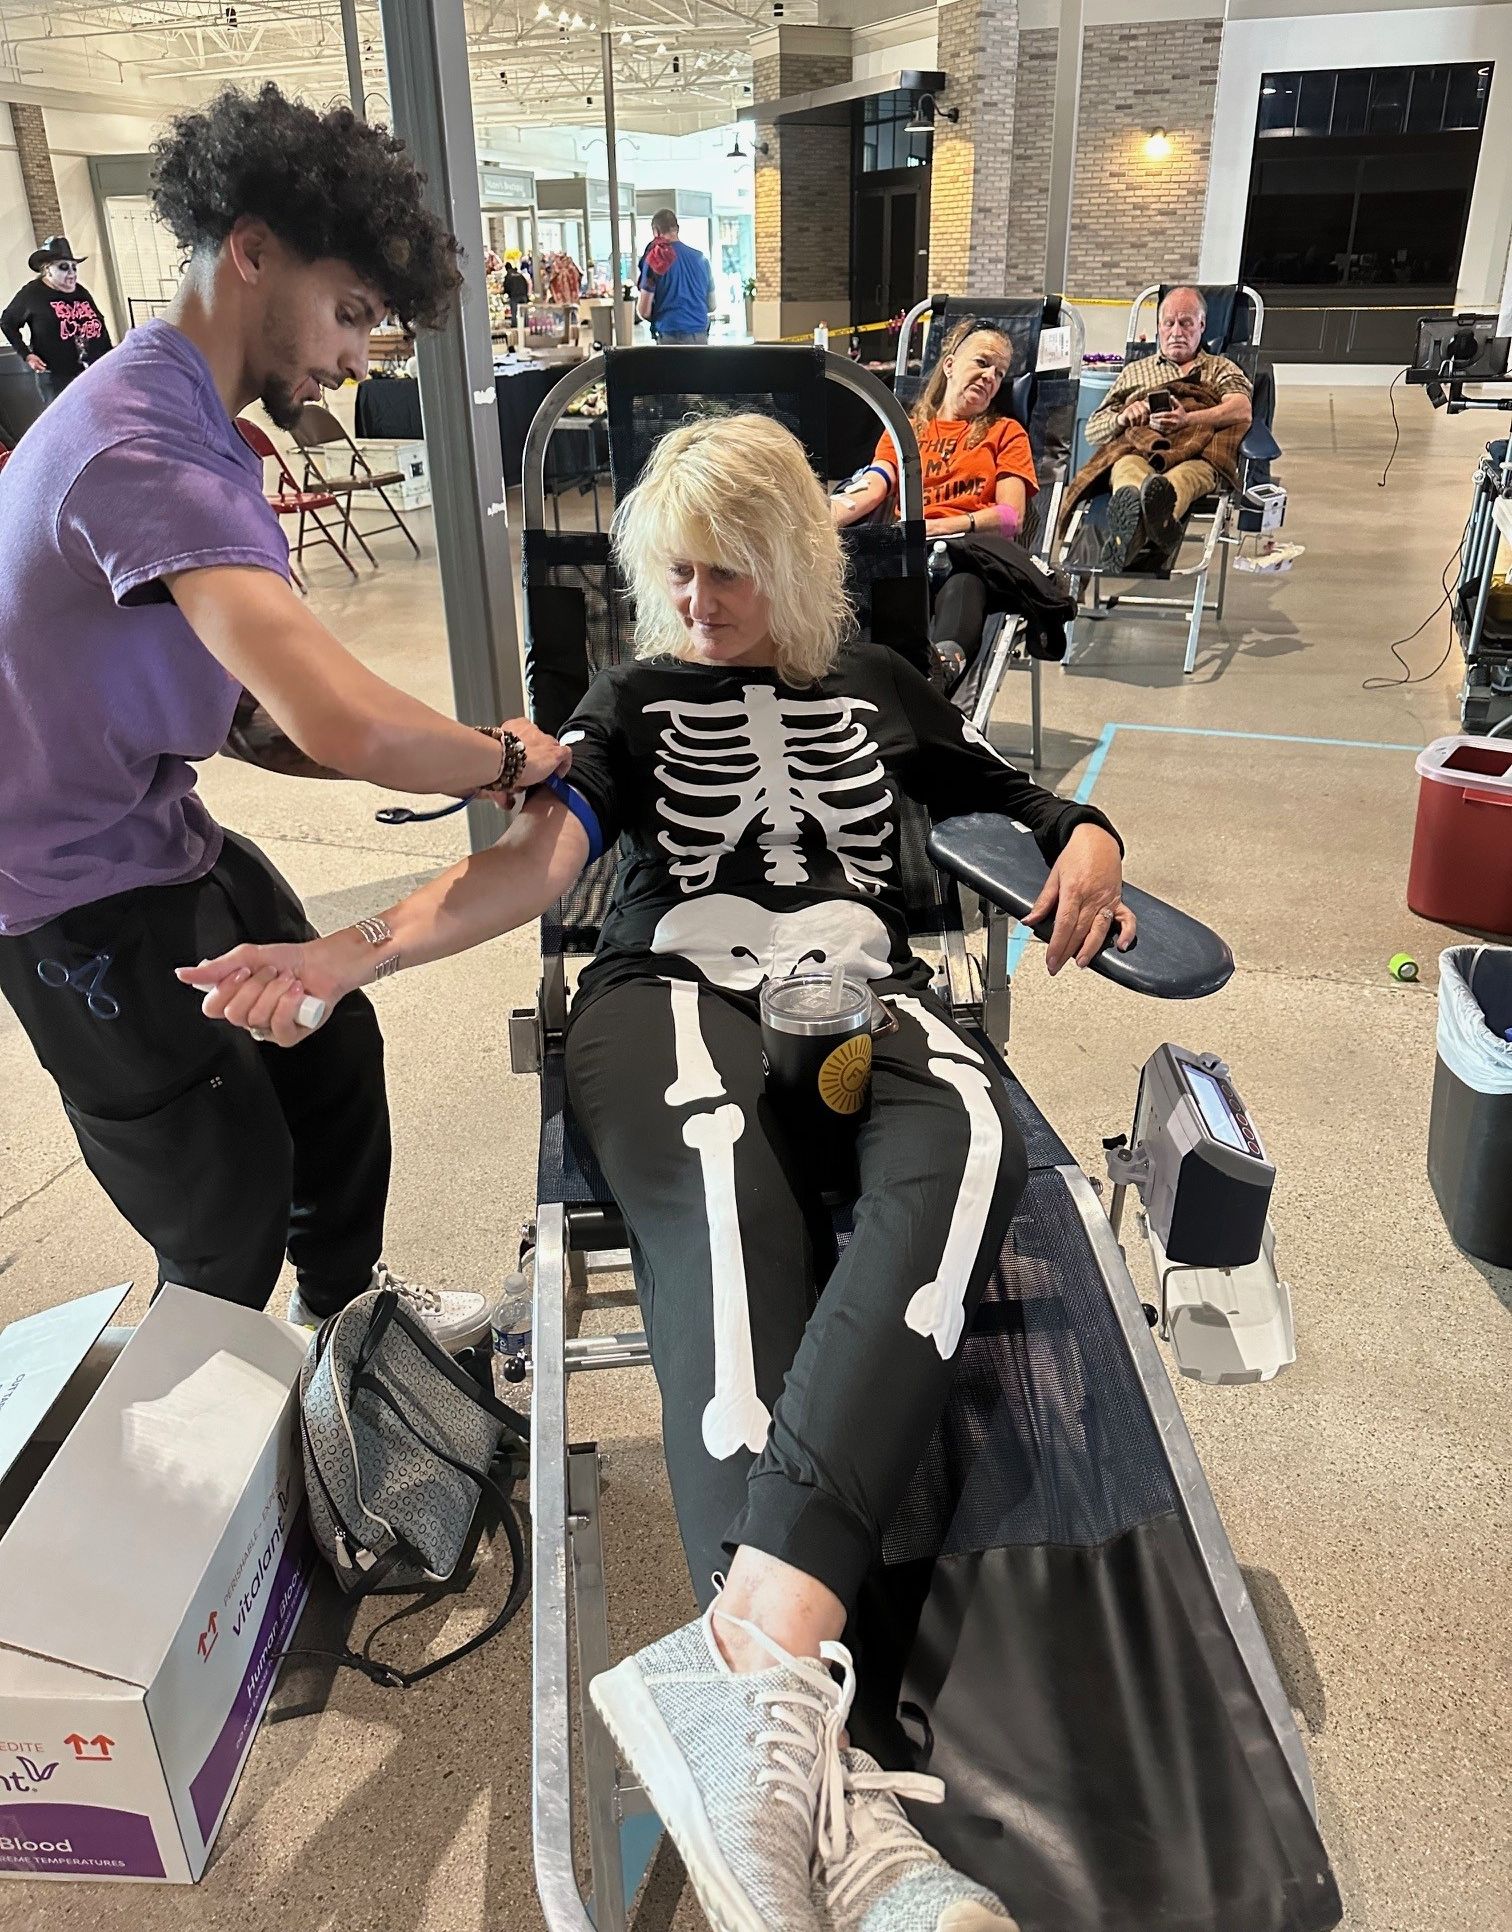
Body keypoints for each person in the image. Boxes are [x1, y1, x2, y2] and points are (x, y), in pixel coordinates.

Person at [181, 412, 1134, 1932]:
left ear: (791, 565)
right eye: (675, 576)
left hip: (855, 991)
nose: (697, 605)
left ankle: (752, 1699)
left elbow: (998, 798)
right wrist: (343, 956)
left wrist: (1088, 833)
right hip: (667, 999)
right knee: (724, 1210)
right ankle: (850, 1798)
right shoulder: (632, 698)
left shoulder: (875, 686)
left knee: (970, 1149)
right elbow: (538, 869)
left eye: (729, 578)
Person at [0, 82, 568, 1344]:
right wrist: (499, 758)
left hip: (158, 826)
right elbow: (338, 718)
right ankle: (215, 1466)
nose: (361, 358)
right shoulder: (136, 449)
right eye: (351, 311)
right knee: (224, 1205)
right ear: (252, 251)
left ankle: (345, 1339)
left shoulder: (190, 423)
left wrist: (477, 766)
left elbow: (267, 718)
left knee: (329, 1053)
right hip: (62, 894)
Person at [831, 319, 1038, 672]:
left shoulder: (1006, 433)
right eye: (982, 362)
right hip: (908, 552)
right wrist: (815, 518)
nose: (990, 377)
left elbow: (1009, 518)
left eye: (1000, 373)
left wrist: (938, 528)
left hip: (969, 551)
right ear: (950, 364)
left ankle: (941, 671)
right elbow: (874, 486)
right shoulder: (905, 430)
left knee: (965, 584)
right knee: (861, 576)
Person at [1072, 285, 1253, 572]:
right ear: (1159, 327)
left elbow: (1241, 409)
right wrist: (1124, 417)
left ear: (1202, 326)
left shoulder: (1220, 368)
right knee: (1127, 468)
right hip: (1141, 449)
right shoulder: (1136, 371)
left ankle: (1127, 538)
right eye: (1169, 323)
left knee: (1185, 477)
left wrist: (1189, 420)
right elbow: (1093, 430)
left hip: (1197, 452)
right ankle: (1148, 519)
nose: (1176, 332)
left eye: (1186, 323)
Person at [2, 235, 113, 408]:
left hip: (92, 373)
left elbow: (99, 323)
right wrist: (27, 355)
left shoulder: (81, 292)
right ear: (48, 269)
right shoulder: (33, 293)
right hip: (57, 378)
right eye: (64, 267)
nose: (72, 274)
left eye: (74, 268)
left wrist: (109, 358)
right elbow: (7, 322)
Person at [637, 207, 715, 345]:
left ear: (656, 231)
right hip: (699, 336)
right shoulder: (701, 259)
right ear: (677, 228)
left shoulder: (655, 260)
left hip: (669, 336)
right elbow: (712, 304)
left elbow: (644, 311)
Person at [502, 259, 530, 327]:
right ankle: (526, 324)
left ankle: (514, 325)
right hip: (523, 295)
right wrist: (526, 294)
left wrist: (506, 293)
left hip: (514, 296)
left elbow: (506, 286)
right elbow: (526, 284)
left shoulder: (508, 276)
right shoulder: (520, 274)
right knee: (524, 311)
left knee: (514, 311)